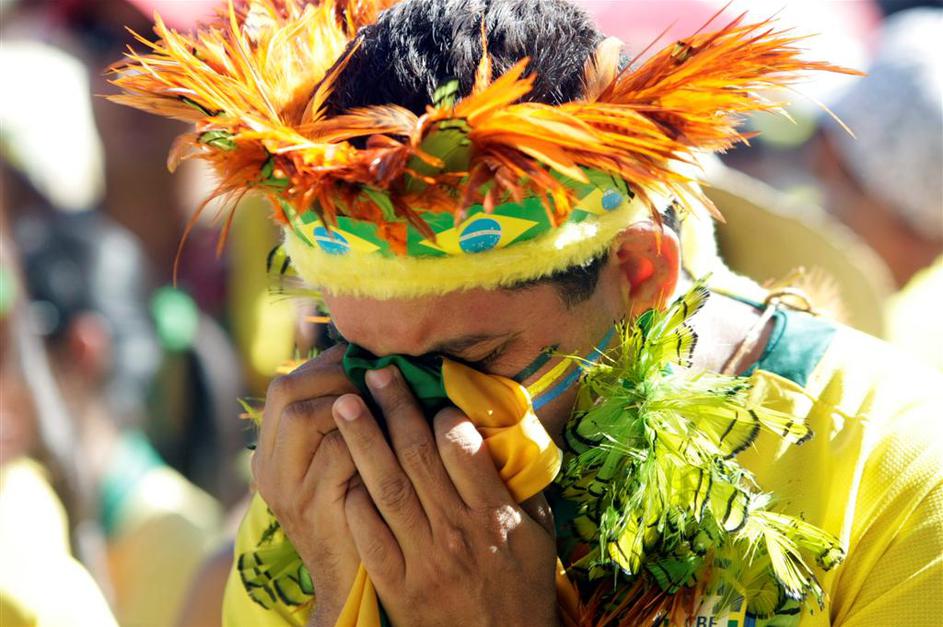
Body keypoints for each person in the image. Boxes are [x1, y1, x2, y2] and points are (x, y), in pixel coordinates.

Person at [110, 1, 943, 625]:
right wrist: (338, 593)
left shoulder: (901, 470)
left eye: (474, 358)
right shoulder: (334, 452)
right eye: (363, 354)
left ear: (638, 273)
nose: (407, 421)